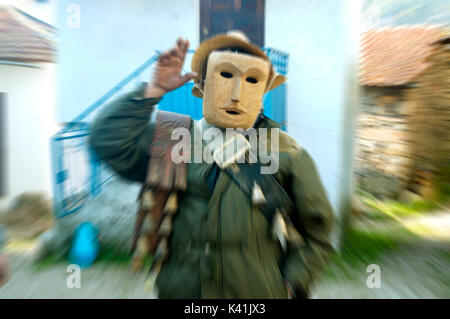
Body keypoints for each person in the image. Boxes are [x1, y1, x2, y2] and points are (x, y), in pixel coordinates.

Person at [90, 31, 335, 298]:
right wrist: (151, 92)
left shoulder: (285, 151)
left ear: (263, 92)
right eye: (225, 75)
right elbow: (108, 142)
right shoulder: (174, 140)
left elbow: (318, 231)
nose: (236, 94)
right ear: (203, 85)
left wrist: (291, 283)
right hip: (183, 291)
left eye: (251, 80)